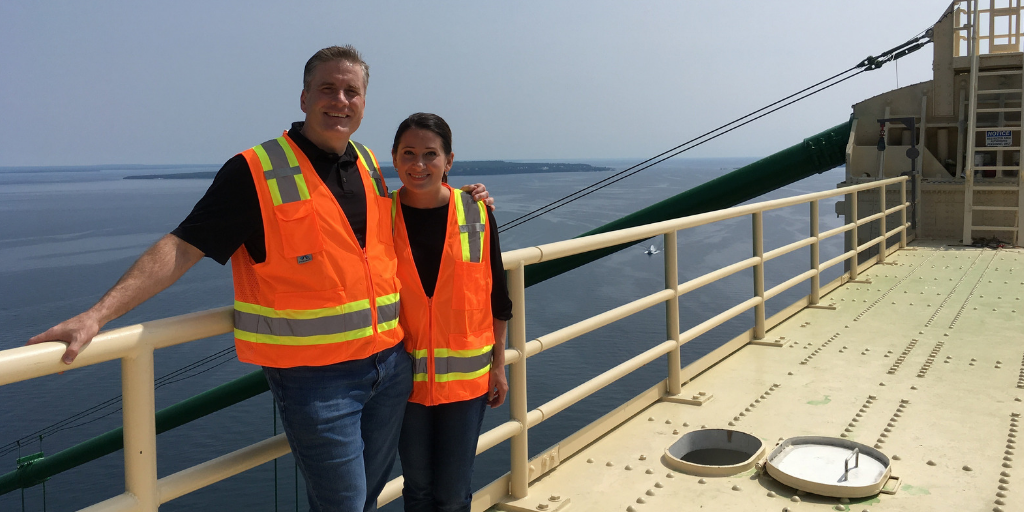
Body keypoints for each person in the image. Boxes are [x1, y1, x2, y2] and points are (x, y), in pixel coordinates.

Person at [28, 46, 491, 512]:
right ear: (305, 96)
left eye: (352, 91)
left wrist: (466, 197)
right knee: (345, 504)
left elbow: (408, 221)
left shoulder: (369, 165)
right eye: (328, 88)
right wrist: (95, 315)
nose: (340, 99)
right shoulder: (255, 171)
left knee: (368, 495)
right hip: (316, 380)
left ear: (364, 103)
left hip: (389, 367)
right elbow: (183, 245)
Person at [389, 113, 512, 512]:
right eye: (409, 153)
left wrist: (499, 365)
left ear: (449, 161)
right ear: (394, 158)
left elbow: (498, 297)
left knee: (453, 494)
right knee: (418, 489)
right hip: (402, 381)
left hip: (466, 384)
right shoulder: (377, 216)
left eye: (430, 154)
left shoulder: (477, 213)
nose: (419, 164)